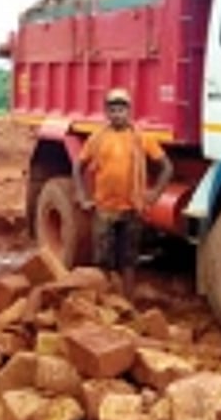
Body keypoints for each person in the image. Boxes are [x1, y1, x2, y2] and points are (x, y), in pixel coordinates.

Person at [73, 88, 173, 298]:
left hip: (131, 209)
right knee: (103, 259)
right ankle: (105, 301)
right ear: (106, 113)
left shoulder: (141, 138)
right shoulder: (97, 139)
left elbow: (166, 167)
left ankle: (126, 301)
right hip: (104, 210)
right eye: (112, 110)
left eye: (121, 109)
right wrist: (82, 196)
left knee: (129, 259)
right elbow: (78, 166)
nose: (117, 114)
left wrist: (154, 194)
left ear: (129, 111)